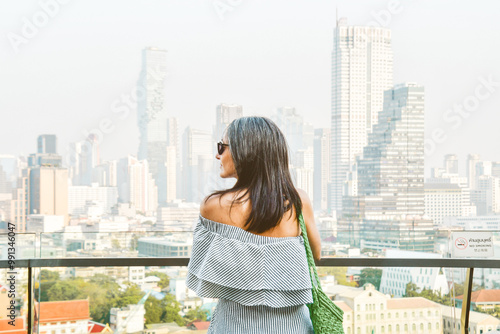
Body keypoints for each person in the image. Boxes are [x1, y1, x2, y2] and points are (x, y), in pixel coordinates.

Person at [187, 116, 321, 333]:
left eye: (222, 147)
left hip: (234, 325)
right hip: (293, 326)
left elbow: (203, 266)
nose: (217, 154)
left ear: (244, 151)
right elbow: (315, 255)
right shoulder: (299, 200)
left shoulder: (213, 206)